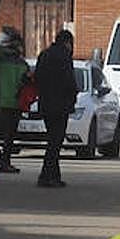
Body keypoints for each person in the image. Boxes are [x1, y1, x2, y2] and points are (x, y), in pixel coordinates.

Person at [33, 29, 78, 188]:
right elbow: (69, 81)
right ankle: (47, 176)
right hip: (60, 105)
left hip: (46, 104)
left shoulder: (44, 54)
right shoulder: (64, 57)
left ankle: (52, 175)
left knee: (53, 140)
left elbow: (37, 78)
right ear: (67, 42)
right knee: (55, 142)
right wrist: (72, 97)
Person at [0, 26, 29, 173]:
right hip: (14, 103)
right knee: (9, 136)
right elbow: (26, 80)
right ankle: (4, 162)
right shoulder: (20, 62)